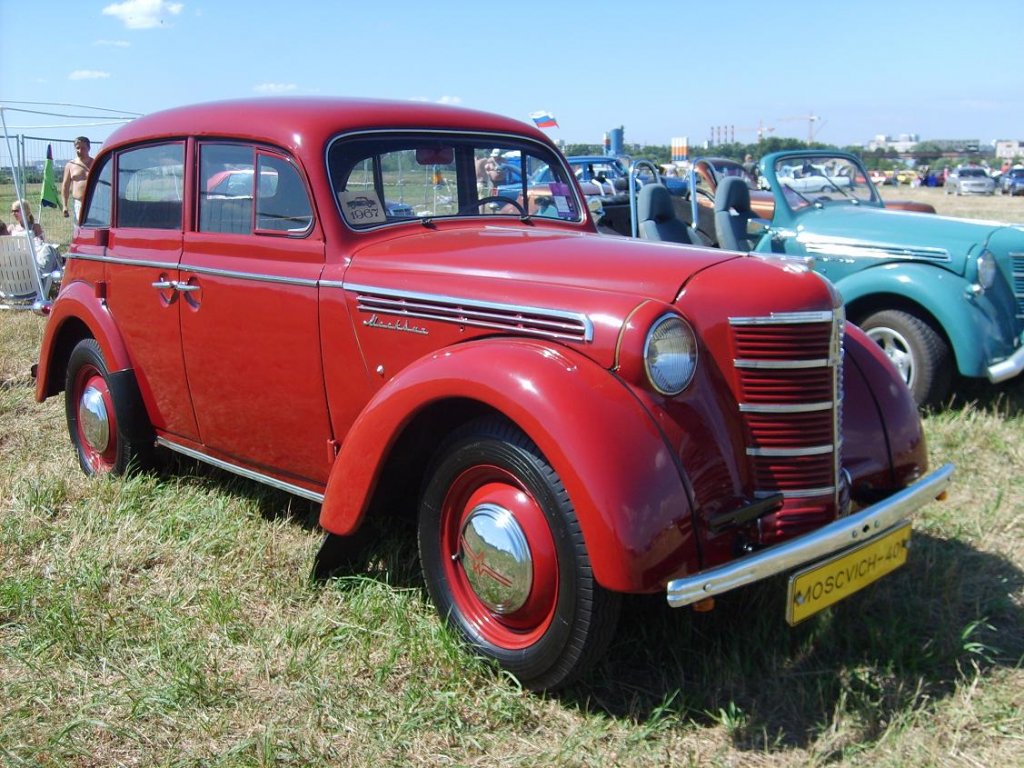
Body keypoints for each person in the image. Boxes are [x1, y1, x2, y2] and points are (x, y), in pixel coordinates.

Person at [62, 136, 94, 220]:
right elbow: (65, 186)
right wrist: (65, 206)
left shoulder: (96, 163)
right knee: (80, 226)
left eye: (83, 148)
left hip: (95, 202)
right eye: (78, 148)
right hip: (79, 203)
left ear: (89, 148)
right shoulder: (70, 165)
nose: (80, 151)